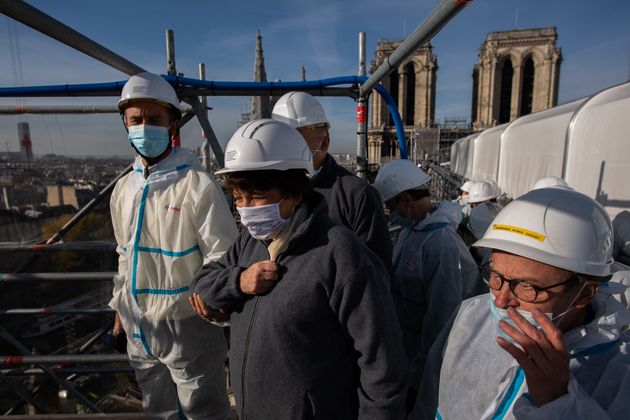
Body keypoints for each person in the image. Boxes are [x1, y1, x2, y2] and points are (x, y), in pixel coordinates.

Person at [191, 118, 408, 419]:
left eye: (256, 197)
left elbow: (383, 367)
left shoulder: (340, 255)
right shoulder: (250, 243)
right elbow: (202, 283)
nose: (245, 210)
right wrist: (239, 282)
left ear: (293, 192)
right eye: (239, 198)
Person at [412, 187, 630, 420]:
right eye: (496, 277)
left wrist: (559, 403)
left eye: (528, 287)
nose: (501, 300)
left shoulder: (618, 374)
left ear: (585, 293)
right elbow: (430, 396)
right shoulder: (471, 314)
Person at [109, 72, 237, 419]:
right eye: (135, 120)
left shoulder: (196, 185)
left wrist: (214, 302)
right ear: (125, 122)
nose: (144, 127)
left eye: (154, 119)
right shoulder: (124, 189)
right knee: (158, 409)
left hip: (188, 324)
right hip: (139, 324)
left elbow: (222, 254)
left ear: (172, 124)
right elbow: (125, 254)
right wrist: (121, 310)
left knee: (204, 411)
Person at [373, 159, 483, 408]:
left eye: (392, 205)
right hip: (408, 346)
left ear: (407, 200)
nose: (391, 213)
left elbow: (441, 317)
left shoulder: (441, 243)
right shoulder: (412, 232)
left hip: (427, 359)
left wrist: (421, 372)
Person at [271, 91, 393, 272]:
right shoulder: (271, 189)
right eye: (282, 144)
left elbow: (376, 270)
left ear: (324, 143)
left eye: (297, 144)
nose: (288, 153)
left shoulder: (357, 195)